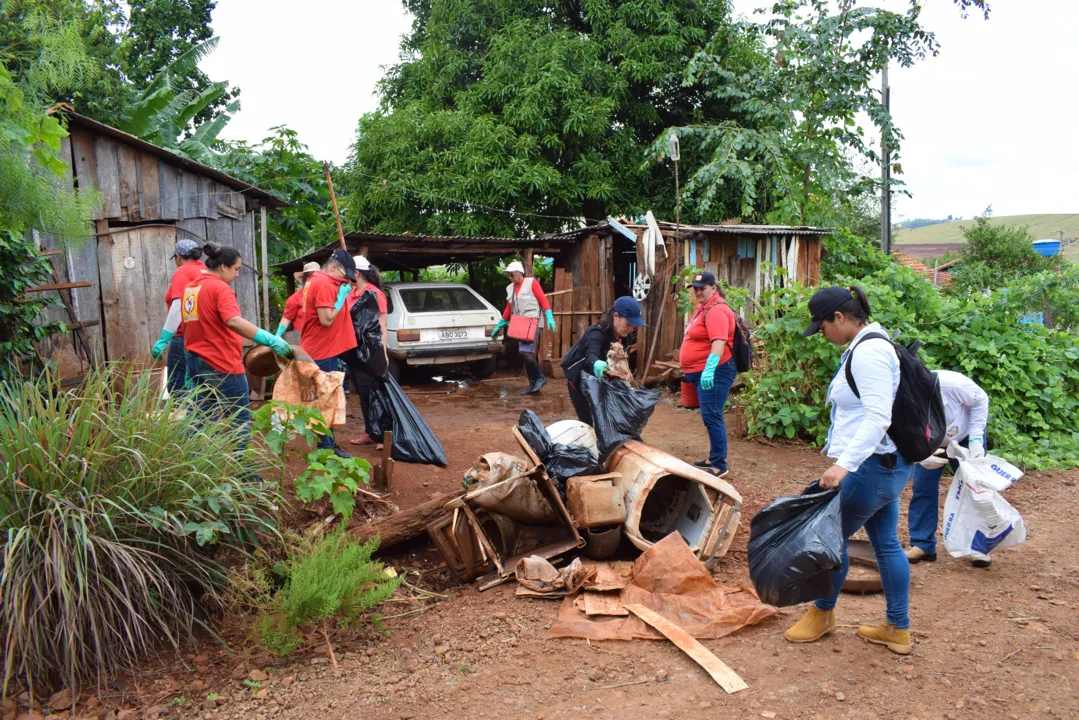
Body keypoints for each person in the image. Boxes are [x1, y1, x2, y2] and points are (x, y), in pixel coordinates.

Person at [784, 285, 915, 655]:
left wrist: (844, 465)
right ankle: (896, 627)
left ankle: (822, 614)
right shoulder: (871, 344)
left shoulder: (869, 353)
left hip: (871, 468)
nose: (822, 333)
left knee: (828, 539)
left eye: (823, 326)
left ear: (839, 318)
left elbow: (876, 416)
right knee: (886, 544)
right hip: (885, 465)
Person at [181, 243, 292, 446]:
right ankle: (245, 475)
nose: (237, 274)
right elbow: (232, 320)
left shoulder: (191, 288)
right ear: (223, 267)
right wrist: (270, 339)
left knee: (199, 421)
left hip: (196, 362)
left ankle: (195, 469)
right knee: (239, 421)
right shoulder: (219, 288)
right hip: (221, 363)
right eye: (236, 269)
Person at [906, 370, 992, 568]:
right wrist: (918, 455)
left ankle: (979, 546)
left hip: (965, 435)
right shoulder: (904, 396)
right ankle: (922, 544)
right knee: (923, 487)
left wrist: (977, 439)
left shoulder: (952, 383)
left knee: (975, 488)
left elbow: (981, 400)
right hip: (929, 441)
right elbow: (903, 427)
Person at [298, 249, 358, 458]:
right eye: (344, 275)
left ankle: (328, 444)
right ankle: (326, 448)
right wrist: (340, 299)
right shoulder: (323, 284)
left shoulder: (317, 281)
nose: (345, 280)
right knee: (326, 399)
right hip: (321, 350)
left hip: (319, 348)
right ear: (333, 267)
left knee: (325, 398)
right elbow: (326, 319)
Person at [678, 271, 738, 476]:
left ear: (714, 288)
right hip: (704, 369)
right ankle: (714, 457)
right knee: (709, 415)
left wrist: (709, 369)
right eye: (695, 289)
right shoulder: (704, 307)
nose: (698, 292)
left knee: (712, 415)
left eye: (702, 288)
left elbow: (719, 341)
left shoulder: (717, 310)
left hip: (718, 369)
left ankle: (719, 465)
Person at [560, 296, 646, 425]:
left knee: (610, 420)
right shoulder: (596, 332)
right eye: (628, 324)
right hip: (580, 383)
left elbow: (621, 363)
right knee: (592, 423)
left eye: (634, 327)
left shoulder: (625, 337)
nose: (630, 329)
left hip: (601, 382)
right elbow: (591, 356)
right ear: (616, 316)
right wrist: (597, 364)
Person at [490, 260, 556, 395]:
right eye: (508, 275)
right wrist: (500, 325)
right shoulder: (510, 288)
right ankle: (534, 383)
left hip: (533, 322)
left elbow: (543, 300)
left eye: (512, 275)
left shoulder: (531, 282)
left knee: (525, 352)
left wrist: (549, 316)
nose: (510, 277)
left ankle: (539, 378)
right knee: (526, 353)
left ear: (520, 273)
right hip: (521, 324)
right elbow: (509, 309)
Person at [151, 239, 206, 395]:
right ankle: (202, 418)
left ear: (178, 256)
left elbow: (179, 306)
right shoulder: (205, 270)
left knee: (177, 388)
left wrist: (164, 339)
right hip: (204, 335)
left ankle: (185, 418)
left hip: (183, 336)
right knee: (200, 386)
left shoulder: (183, 272)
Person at [347, 256, 389, 451]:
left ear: (356, 273)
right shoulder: (351, 293)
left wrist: (383, 352)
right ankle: (369, 431)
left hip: (370, 351)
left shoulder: (375, 294)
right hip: (353, 351)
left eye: (348, 272)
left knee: (375, 393)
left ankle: (382, 434)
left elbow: (382, 325)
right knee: (362, 394)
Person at [276, 261, 321, 336]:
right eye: (310, 276)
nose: (313, 279)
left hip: (322, 338)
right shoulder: (295, 298)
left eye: (316, 276)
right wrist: (277, 336)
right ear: (304, 278)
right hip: (301, 339)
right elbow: (286, 318)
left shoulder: (327, 294)